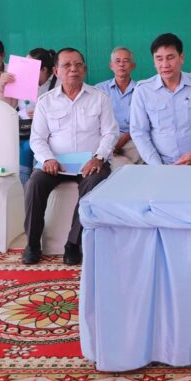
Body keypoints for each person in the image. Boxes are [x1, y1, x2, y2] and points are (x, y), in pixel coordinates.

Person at [23, 48, 117, 266]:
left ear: (84, 69)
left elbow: (110, 133)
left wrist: (99, 157)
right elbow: (37, 138)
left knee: (95, 182)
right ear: (56, 71)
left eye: (78, 64)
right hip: (55, 163)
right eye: (67, 65)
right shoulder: (45, 101)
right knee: (34, 183)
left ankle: (73, 244)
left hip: (90, 162)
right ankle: (32, 244)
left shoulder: (100, 98)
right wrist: (47, 159)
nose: (73, 69)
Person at [130, 33, 191, 166]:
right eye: (159, 59)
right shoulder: (143, 90)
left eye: (170, 57)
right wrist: (157, 165)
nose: (165, 64)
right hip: (158, 164)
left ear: (181, 58)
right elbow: (139, 132)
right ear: (154, 61)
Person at [0, 47, 58, 185]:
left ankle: (34, 184)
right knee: (22, 148)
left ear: (43, 70)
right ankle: (23, 188)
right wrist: (2, 87)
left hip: (50, 133)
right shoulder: (21, 80)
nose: (24, 70)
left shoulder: (59, 83)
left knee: (34, 149)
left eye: (30, 67)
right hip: (24, 132)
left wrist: (42, 114)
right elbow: (6, 108)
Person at [95, 47, 142, 167]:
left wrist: (126, 136)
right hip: (105, 138)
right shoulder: (99, 90)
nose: (121, 64)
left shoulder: (141, 90)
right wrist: (111, 140)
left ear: (133, 66)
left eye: (126, 61)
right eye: (118, 61)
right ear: (111, 66)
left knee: (140, 154)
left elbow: (144, 122)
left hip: (132, 139)